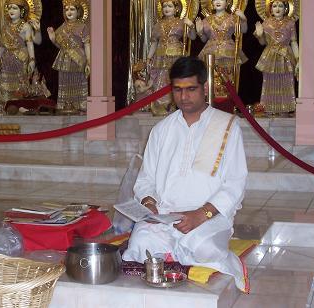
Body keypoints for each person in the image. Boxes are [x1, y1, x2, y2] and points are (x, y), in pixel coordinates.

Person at [122, 56, 248, 292]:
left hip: (208, 216)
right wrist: (149, 202)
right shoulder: (161, 130)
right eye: (178, 90)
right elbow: (146, 178)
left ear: (205, 88)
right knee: (139, 244)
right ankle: (174, 254)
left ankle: (178, 254)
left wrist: (201, 214)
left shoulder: (227, 126)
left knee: (202, 247)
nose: (184, 97)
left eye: (191, 89)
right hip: (165, 215)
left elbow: (235, 183)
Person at [147, 0, 196, 116]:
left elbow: (192, 37)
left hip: (176, 56)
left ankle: (174, 105)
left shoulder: (181, 22)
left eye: (170, 6)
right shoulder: (158, 25)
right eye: (164, 6)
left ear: (176, 9)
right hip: (160, 56)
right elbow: (154, 43)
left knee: (175, 80)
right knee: (159, 82)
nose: (166, 8)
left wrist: (191, 25)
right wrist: (149, 57)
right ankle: (160, 106)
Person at [254, 0, 298, 116]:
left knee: (286, 82)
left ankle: (286, 109)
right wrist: (259, 36)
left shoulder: (290, 23)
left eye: (280, 6)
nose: (277, 8)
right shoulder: (266, 23)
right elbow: (263, 42)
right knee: (269, 81)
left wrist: (298, 60)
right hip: (270, 55)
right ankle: (269, 109)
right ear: (270, 9)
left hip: (286, 55)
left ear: (286, 9)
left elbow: (293, 42)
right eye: (274, 6)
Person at [0, 0, 36, 107]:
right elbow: (2, 44)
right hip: (6, 61)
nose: (11, 10)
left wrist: (32, 60)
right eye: (9, 8)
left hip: (20, 59)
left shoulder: (26, 26)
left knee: (20, 87)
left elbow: (29, 43)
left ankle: (19, 109)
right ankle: (7, 109)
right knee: (5, 87)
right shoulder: (6, 27)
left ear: (22, 10)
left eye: (14, 8)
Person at [195, 0, 247, 97]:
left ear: (228, 3)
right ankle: (211, 102)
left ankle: (228, 103)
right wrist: (200, 32)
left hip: (228, 53)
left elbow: (243, 31)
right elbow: (203, 39)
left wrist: (243, 19)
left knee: (228, 80)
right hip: (210, 53)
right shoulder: (206, 20)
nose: (218, 1)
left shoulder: (233, 18)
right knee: (211, 80)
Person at [47, 0, 90, 113]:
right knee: (64, 82)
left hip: (78, 59)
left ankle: (80, 105)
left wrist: (89, 62)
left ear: (78, 12)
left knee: (79, 81)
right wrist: (52, 38)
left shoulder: (83, 26)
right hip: (64, 59)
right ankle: (64, 105)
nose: (69, 12)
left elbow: (87, 45)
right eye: (66, 9)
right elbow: (61, 46)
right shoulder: (62, 27)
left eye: (72, 9)